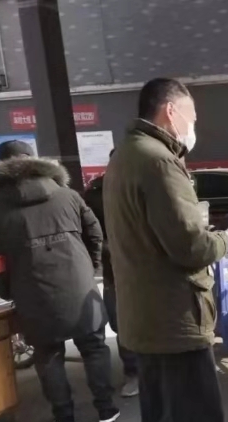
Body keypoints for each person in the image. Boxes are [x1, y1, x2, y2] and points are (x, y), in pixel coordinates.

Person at [103, 78, 228, 422]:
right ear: (170, 111)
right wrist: (223, 239)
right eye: (192, 116)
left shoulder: (124, 155)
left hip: (144, 317)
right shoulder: (159, 162)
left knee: (157, 421)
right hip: (176, 320)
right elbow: (191, 247)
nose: (194, 126)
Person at [0, 143, 118, 422]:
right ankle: (105, 408)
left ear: (1, 165)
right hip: (79, 285)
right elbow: (94, 232)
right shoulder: (66, 194)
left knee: (48, 354)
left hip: (30, 292)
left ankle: (64, 415)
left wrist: (6, 290)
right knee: (94, 347)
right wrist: (90, 266)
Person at [84, 150, 139, 397]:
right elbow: (89, 234)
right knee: (122, 324)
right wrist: (107, 250)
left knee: (156, 323)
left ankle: (158, 373)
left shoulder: (149, 187)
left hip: (151, 270)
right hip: (115, 271)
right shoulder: (95, 195)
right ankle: (134, 373)